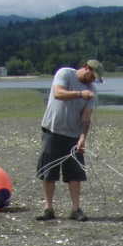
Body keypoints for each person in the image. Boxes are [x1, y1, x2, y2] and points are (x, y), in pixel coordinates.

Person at [36, 60, 104, 221]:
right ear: (86, 68)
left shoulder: (91, 91)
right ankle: (48, 209)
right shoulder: (65, 73)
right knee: (48, 172)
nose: (93, 80)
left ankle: (75, 209)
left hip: (73, 135)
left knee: (75, 174)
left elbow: (86, 118)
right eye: (92, 76)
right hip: (52, 130)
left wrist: (82, 138)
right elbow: (58, 93)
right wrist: (80, 94)